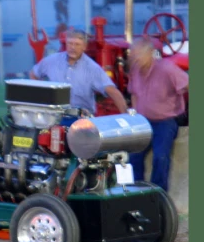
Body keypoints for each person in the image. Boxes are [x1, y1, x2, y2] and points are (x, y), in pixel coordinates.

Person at [127, 37, 188, 191]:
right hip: (143, 121)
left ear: (150, 54)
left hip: (165, 120)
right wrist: (135, 116)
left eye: (139, 55)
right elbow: (133, 93)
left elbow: (188, 84)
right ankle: (136, 191)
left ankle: (158, 193)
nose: (135, 59)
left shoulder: (167, 68)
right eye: (133, 55)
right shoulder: (135, 70)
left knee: (160, 156)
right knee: (133, 156)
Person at [29, 29, 128, 115]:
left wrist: (128, 116)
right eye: (70, 44)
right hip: (54, 115)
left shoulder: (92, 68)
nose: (73, 47)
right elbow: (33, 74)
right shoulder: (51, 61)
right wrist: (40, 99)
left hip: (81, 119)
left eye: (77, 44)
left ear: (84, 47)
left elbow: (113, 91)